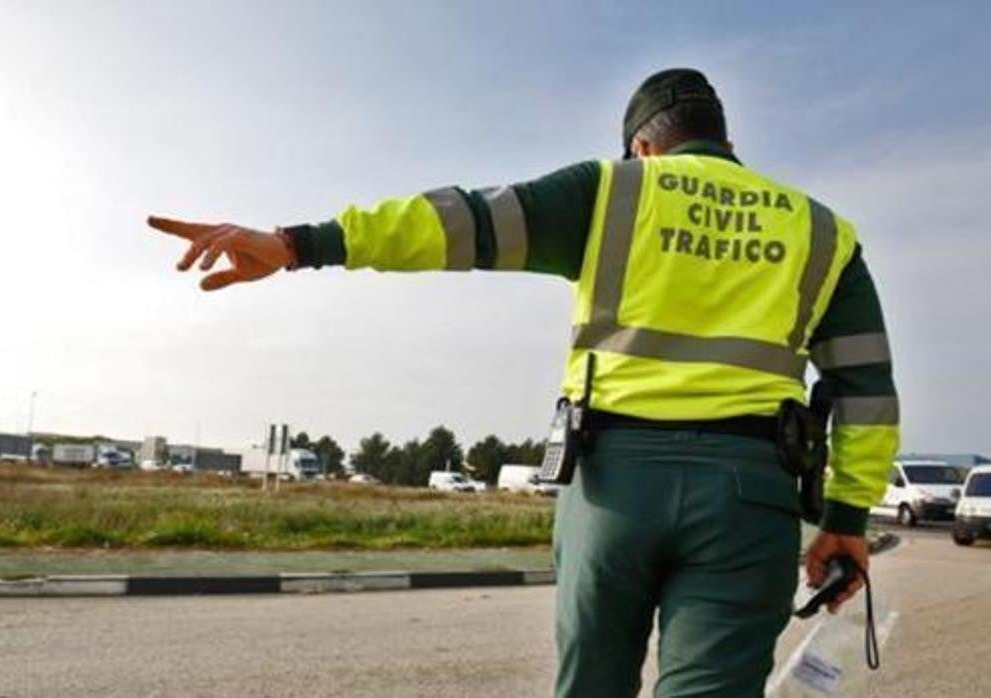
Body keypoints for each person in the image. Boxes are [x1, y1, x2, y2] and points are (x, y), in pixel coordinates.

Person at [149, 68, 899, 697]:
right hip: (750, 496)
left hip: (613, 487)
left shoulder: (613, 191)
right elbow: (866, 389)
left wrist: (297, 245)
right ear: (728, 144)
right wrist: (846, 519)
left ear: (643, 146)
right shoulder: (821, 231)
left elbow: (455, 223)